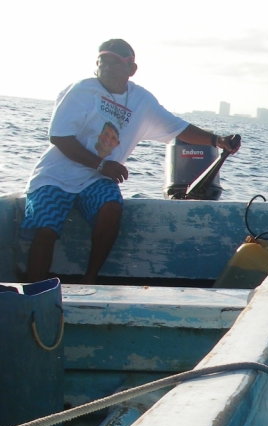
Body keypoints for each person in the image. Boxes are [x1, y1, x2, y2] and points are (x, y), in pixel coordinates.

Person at [22, 39, 241, 284]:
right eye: (104, 61)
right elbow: (59, 136)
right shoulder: (81, 91)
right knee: (47, 227)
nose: (108, 67)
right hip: (56, 175)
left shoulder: (141, 101)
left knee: (111, 206)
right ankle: (33, 292)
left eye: (116, 62)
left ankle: (91, 277)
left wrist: (217, 140)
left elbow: (178, 129)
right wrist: (102, 165)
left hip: (94, 180)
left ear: (131, 69)